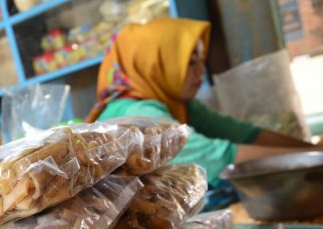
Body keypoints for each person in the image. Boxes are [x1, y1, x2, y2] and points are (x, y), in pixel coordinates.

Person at [85, 18, 320, 186]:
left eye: (201, 60)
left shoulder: (175, 102)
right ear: (156, 64)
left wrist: (311, 150)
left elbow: (242, 134)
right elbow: (220, 158)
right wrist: (314, 155)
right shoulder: (139, 114)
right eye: (190, 63)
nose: (201, 71)